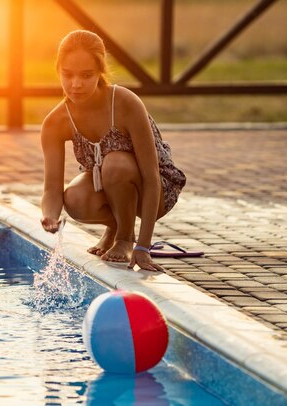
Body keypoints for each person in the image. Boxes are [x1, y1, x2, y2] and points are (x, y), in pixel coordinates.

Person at [40, 30, 186, 272]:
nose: (75, 84)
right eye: (67, 74)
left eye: (86, 75)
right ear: (58, 71)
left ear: (101, 71)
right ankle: (118, 226)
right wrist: (49, 215)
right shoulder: (55, 122)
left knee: (115, 164)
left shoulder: (125, 103)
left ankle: (125, 238)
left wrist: (143, 247)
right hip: (107, 185)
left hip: (157, 190)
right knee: (75, 198)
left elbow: (151, 178)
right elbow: (51, 190)